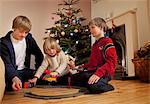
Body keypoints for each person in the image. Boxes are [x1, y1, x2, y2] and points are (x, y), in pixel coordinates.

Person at [67, 17, 117, 94]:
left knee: (95, 86)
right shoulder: (94, 45)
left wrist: (98, 73)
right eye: (90, 28)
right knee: (73, 78)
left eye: (93, 27)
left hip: (105, 73)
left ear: (101, 27)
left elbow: (112, 62)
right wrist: (77, 67)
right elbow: (92, 64)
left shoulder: (107, 41)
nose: (91, 30)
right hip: (94, 71)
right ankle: (89, 84)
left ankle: (109, 87)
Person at [0, 15, 44, 91]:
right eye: (21, 32)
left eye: (26, 32)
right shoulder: (4, 43)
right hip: (14, 72)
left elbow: (39, 55)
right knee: (12, 86)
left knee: (44, 80)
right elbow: (7, 64)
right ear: (14, 28)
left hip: (26, 71)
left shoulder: (28, 39)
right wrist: (14, 77)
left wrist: (37, 71)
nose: (23, 35)